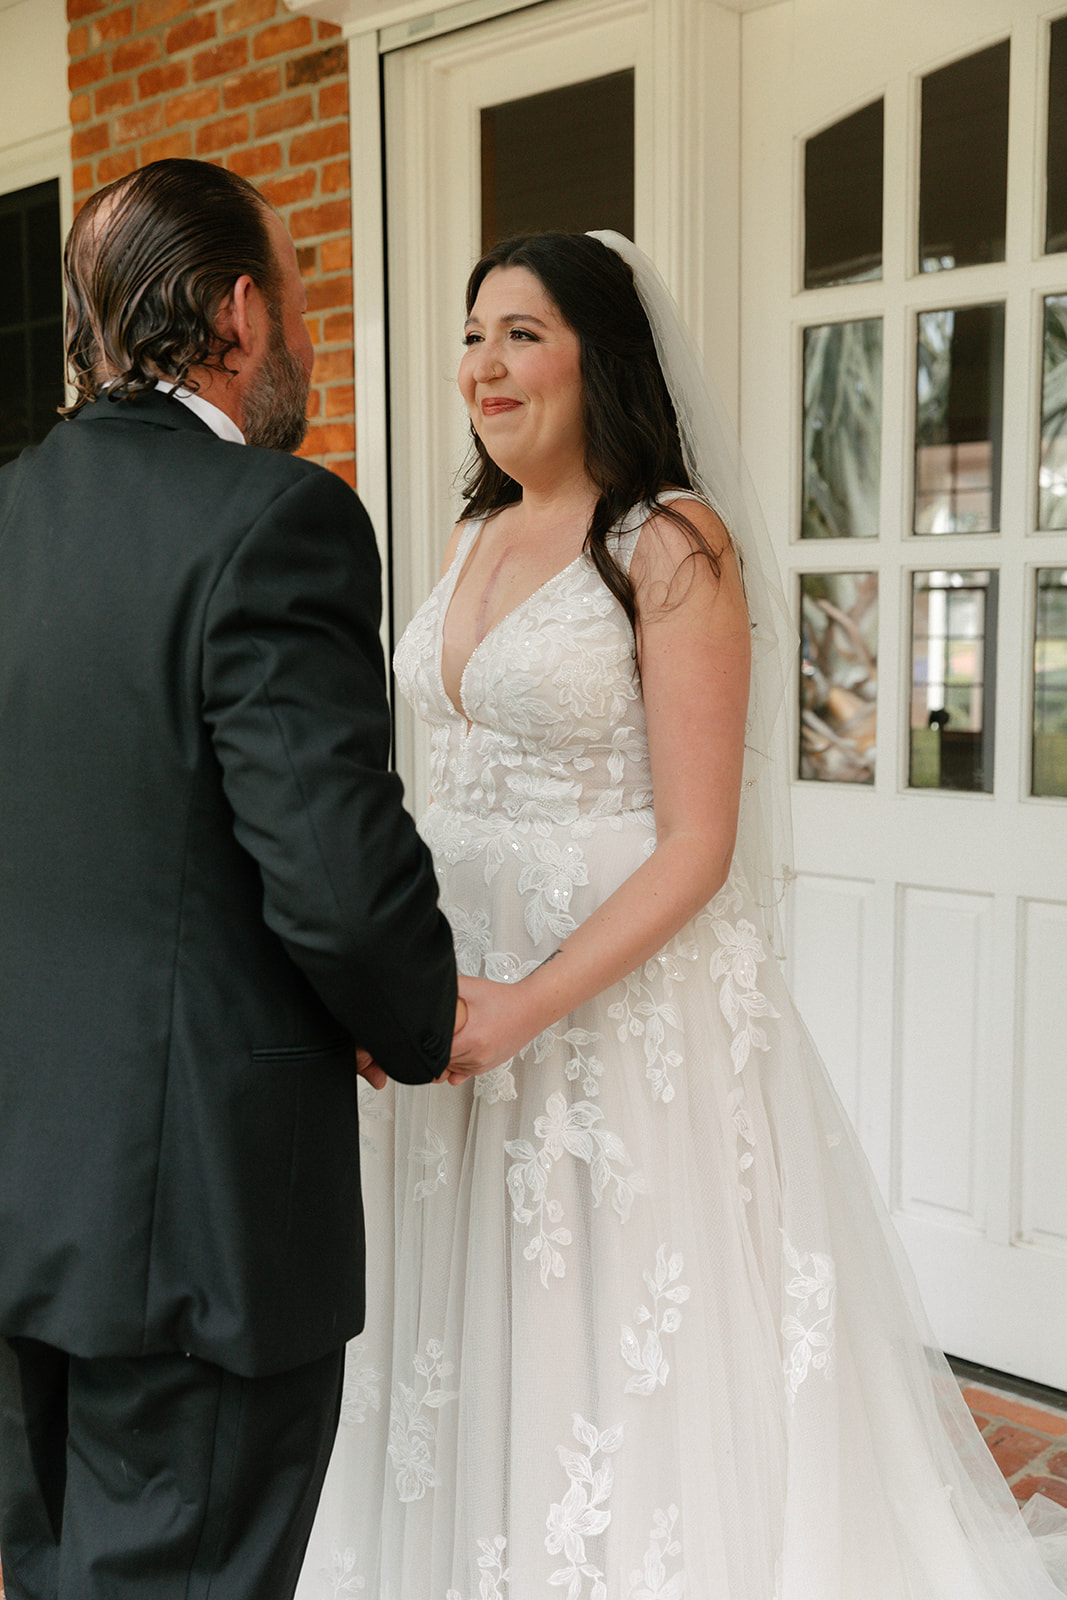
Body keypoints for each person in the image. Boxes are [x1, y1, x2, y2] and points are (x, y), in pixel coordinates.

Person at [296, 230, 1067, 1599]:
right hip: (453, 1009)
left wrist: (528, 1005)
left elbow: (700, 844)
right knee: (467, 1334)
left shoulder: (669, 541)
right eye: (475, 333)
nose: (485, 362)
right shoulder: (472, 532)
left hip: (604, 1022)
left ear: (603, 355)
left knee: (613, 1338)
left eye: (523, 333)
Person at [0, 158, 460, 1600]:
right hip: (198, 1221)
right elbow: (332, 873)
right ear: (239, 308)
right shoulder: (276, 517)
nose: (310, 337)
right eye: (303, 296)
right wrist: (418, 1017)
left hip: (22, 1198)